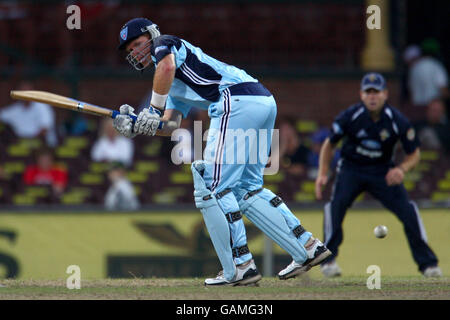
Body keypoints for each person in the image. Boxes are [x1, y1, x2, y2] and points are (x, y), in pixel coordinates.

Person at [112, 17, 331, 286]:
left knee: (214, 187)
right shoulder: (171, 84)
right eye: (130, 49)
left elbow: (166, 67)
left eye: (137, 43)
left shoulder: (164, 44)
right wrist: (137, 126)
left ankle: (242, 265)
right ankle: (308, 247)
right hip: (262, 101)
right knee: (248, 189)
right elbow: (170, 126)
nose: (135, 51)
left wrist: (152, 110)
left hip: (234, 100)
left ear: (151, 34)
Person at [315, 72, 442, 278]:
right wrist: (322, 173)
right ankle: (328, 261)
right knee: (335, 207)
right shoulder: (350, 116)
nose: (372, 96)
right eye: (368, 92)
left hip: (383, 172)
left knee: (408, 211)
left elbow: (414, 153)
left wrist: (401, 169)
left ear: (385, 94)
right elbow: (330, 144)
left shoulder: (397, 120)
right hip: (351, 169)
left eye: (377, 92)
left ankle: (429, 265)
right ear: (361, 95)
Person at [0, 81, 58, 147]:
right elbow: (2, 115)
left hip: (43, 145)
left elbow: (45, 129)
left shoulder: (43, 106)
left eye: (28, 92)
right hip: (20, 145)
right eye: (22, 92)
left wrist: (29, 141)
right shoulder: (14, 109)